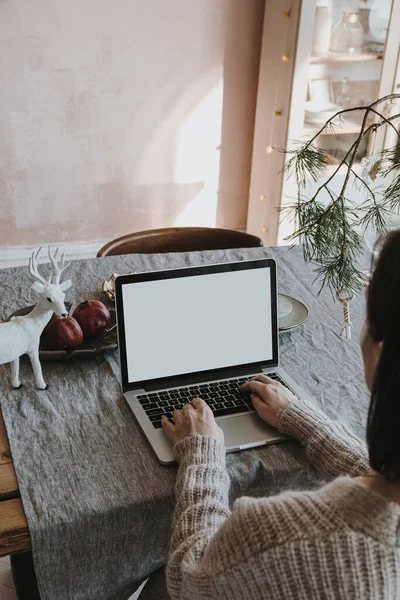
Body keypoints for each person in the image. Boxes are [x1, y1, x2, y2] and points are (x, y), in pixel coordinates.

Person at [150, 230, 400, 599]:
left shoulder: (276, 534)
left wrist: (200, 455)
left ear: (379, 352)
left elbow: (189, 578)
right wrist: (305, 422)